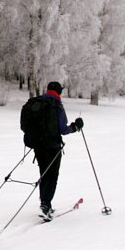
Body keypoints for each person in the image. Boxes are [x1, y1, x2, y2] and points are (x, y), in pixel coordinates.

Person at [34, 81, 83, 221]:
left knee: (44, 173)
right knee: (52, 176)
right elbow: (63, 129)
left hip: (38, 146)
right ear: (59, 92)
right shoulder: (57, 106)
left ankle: (45, 204)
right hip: (53, 147)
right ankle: (45, 206)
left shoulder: (37, 103)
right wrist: (76, 126)